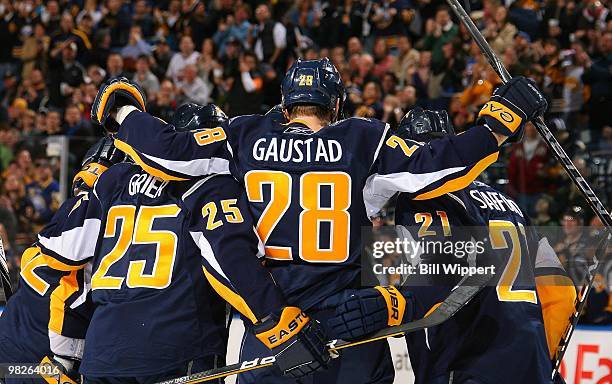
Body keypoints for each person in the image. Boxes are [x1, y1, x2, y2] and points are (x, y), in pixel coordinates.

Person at [100, 59, 545, 383]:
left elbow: (166, 151)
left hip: (272, 324)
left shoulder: (245, 134)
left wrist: (120, 112)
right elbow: (438, 165)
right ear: (335, 105)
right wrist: (499, 122)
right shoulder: (363, 138)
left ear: (285, 103)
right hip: (349, 325)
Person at [43, 97, 328, 383]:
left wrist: (64, 357)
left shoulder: (113, 180)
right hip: (175, 350)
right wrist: (273, 319)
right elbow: (227, 259)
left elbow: (62, 257)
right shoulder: (214, 184)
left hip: (102, 353)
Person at [328, 108, 576, 384]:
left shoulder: (424, 197)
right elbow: (562, 294)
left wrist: (395, 305)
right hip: (532, 365)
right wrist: (543, 362)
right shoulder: (510, 204)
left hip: (467, 362)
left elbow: (443, 277)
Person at [0, 136, 124, 384]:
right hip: (35, 366)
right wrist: (60, 372)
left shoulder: (66, 214)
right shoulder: (108, 221)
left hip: (8, 353)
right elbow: (68, 293)